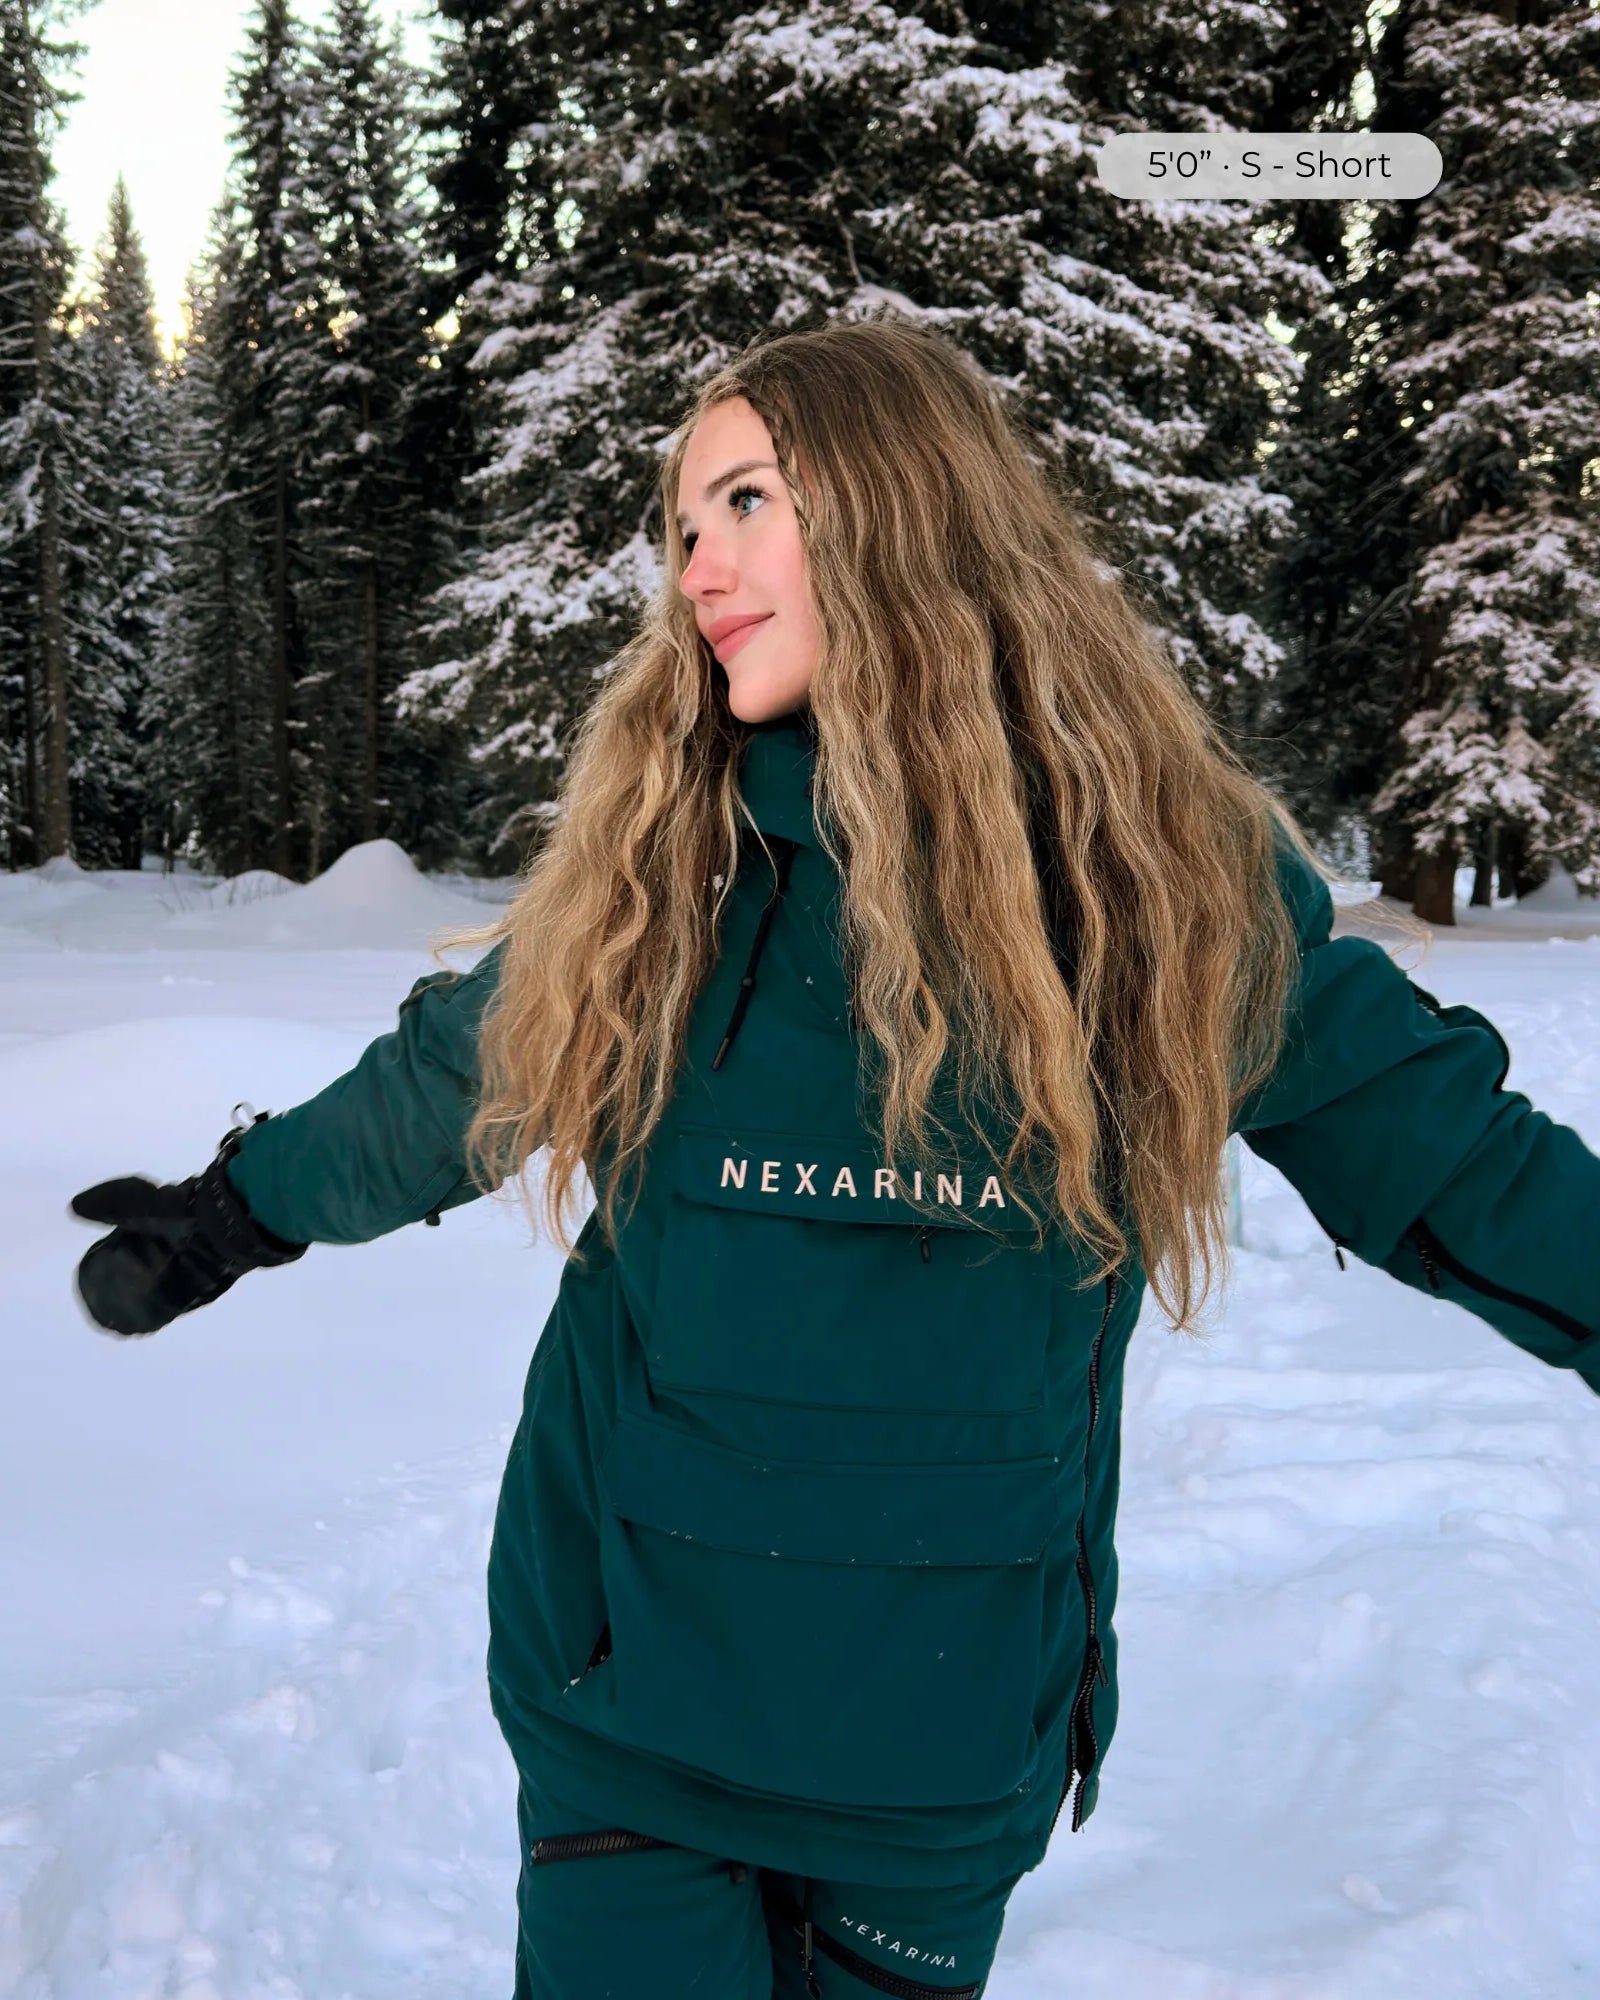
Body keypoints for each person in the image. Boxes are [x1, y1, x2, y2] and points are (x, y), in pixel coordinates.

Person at [69, 316, 1600, 1999]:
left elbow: (1457, 1168)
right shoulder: (667, 867)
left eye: (743, 503)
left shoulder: (1161, 888)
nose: (700, 569)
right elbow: (455, 1083)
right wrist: (231, 1215)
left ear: (902, 503)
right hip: (628, 1719)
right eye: (681, 528)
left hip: (929, 1758)